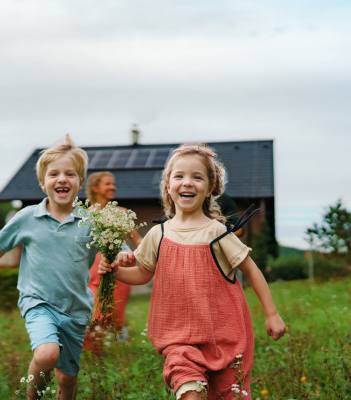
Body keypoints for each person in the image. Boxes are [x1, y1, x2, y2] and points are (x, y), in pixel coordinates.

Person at [99, 144, 286, 399]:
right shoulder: (158, 234)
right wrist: (115, 271)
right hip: (178, 338)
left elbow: (252, 271)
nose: (187, 183)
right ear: (168, 185)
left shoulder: (216, 232)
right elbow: (142, 273)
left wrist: (272, 314)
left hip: (225, 337)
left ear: (210, 188)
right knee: (188, 390)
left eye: (197, 177)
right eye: (179, 176)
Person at [0, 134, 99, 400]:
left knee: (68, 379)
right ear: (42, 182)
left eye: (70, 174)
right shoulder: (27, 218)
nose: (62, 179)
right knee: (47, 354)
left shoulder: (91, 221)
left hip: (76, 308)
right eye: (54, 174)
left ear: (80, 182)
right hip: (38, 302)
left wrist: (124, 258)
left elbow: (116, 251)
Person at [82, 172, 142, 352]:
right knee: (93, 311)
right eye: (108, 184)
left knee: (115, 314)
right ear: (95, 188)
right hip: (94, 269)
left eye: (113, 184)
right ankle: (92, 352)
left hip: (121, 267)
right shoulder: (85, 214)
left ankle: (116, 353)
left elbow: (137, 241)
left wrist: (151, 254)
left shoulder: (122, 213)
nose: (113, 187)